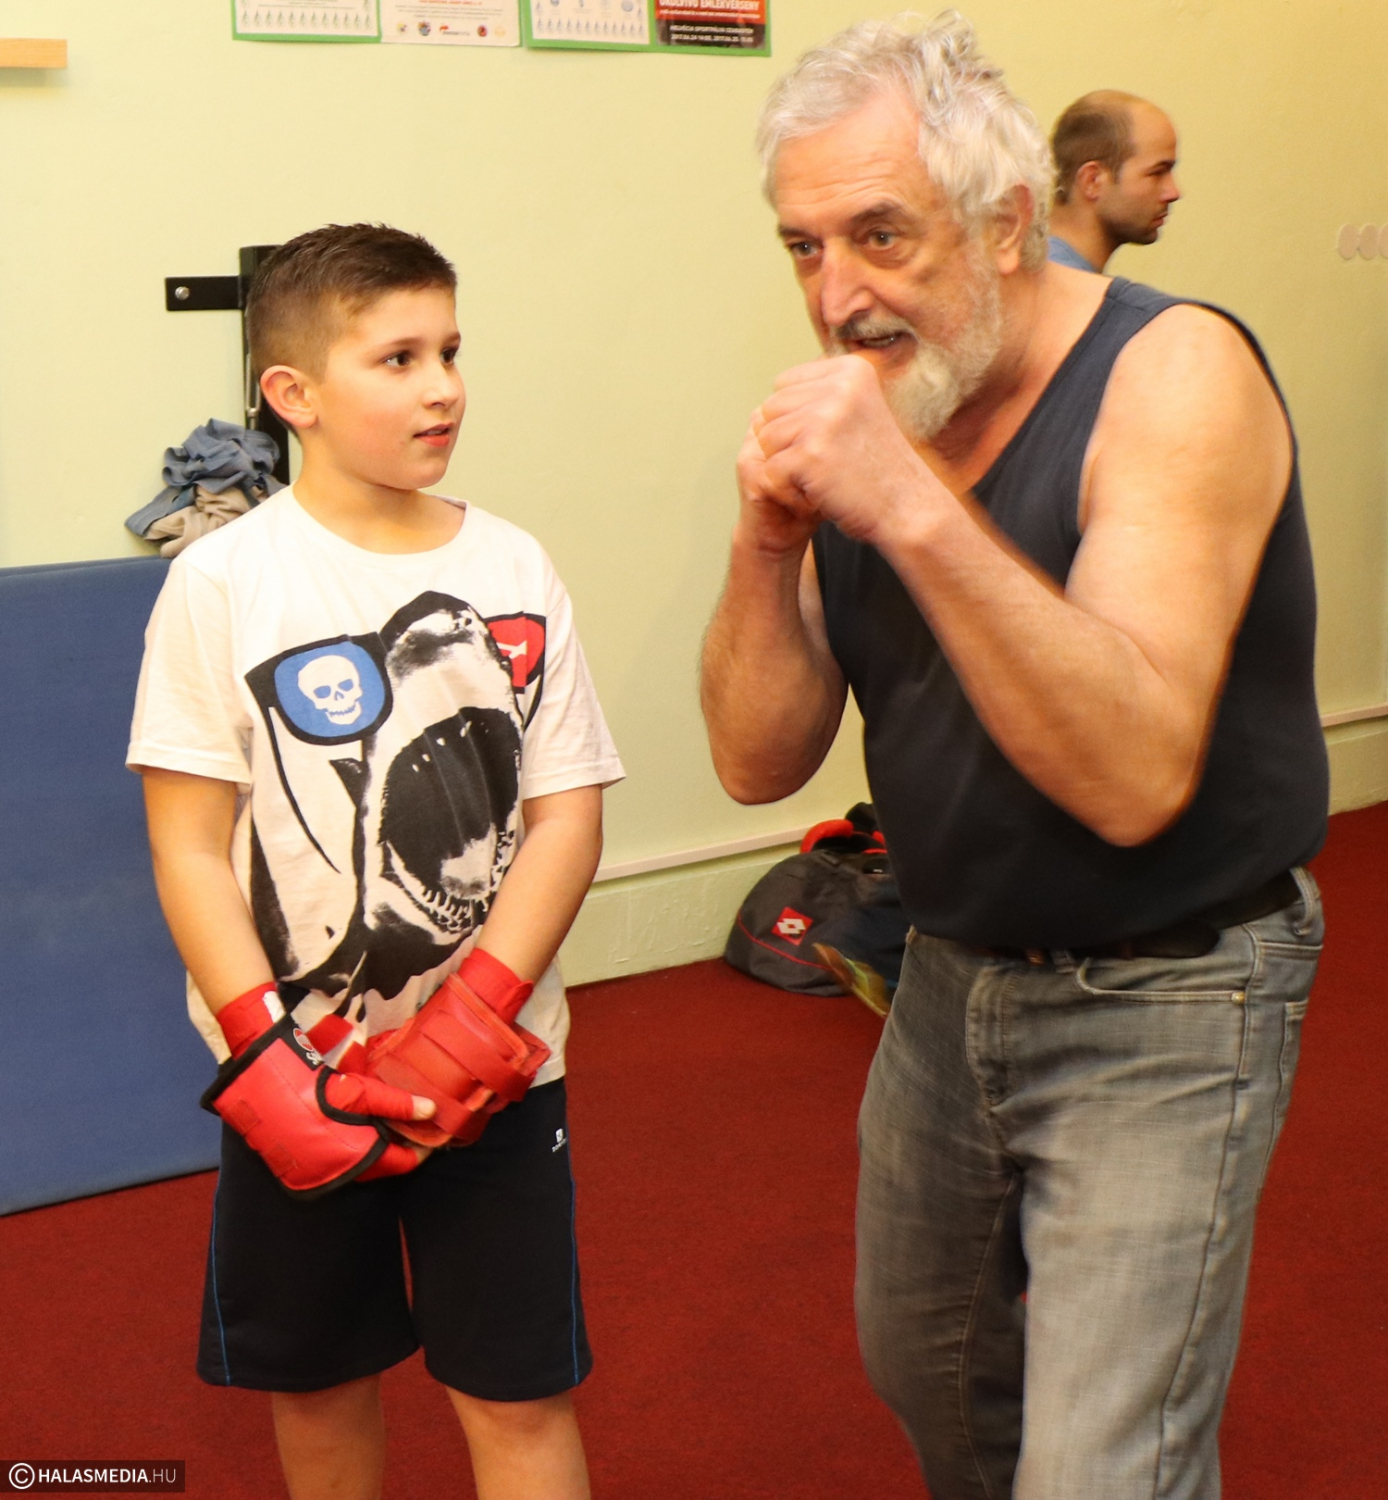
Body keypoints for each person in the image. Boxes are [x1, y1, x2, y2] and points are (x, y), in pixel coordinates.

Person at [701, 15, 1325, 1499]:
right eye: (802, 248)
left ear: (1006, 224)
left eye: (880, 236)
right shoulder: (897, 393)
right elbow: (753, 762)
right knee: (929, 1374)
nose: (836, 298)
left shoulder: (1174, 374)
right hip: (947, 976)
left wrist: (908, 509)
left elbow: (1133, 776)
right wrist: (767, 540)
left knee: (1105, 1466)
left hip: (1170, 988)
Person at [128, 223, 623, 1500]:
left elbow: (566, 816)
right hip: (298, 1079)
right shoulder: (223, 582)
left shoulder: (512, 563)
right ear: (291, 395)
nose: (442, 386)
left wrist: (474, 1018)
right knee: (318, 1383)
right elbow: (187, 842)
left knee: (516, 1395)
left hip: (499, 1079)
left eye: (449, 351)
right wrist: (262, 1049)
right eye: (397, 358)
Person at [1047, 89, 1180, 272]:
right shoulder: (1056, 283)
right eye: (1157, 173)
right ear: (1092, 181)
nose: (1173, 193)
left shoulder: (1031, 269)